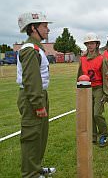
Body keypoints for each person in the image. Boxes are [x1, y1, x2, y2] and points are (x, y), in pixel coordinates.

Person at [17, 12, 56, 178]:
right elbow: (31, 80)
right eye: (44, 26)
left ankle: (36, 167)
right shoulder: (30, 50)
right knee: (31, 136)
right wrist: (38, 104)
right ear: (33, 28)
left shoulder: (37, 48)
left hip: (39, 95)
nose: (48, 30)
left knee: (40, 134)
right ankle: (30, 174)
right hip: (33, 97)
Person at [77, 33, 108, 147]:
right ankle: (93, 136)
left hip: (98, 89)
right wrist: (79, 90)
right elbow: (80, 75)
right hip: (87, 89)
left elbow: (106, 78)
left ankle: (103, 135)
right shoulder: (82, 59)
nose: (90, 45)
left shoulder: (102, 59)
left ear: (97, 44)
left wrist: (106, 93)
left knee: (97, 114)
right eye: (88, 43)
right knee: (89, 115)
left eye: (92, 43)